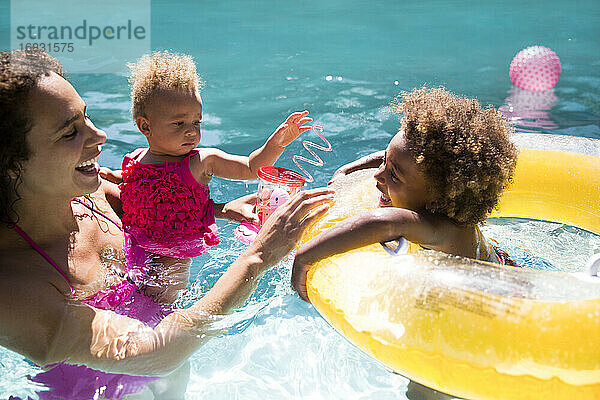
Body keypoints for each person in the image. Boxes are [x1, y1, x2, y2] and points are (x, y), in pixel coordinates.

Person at [0, 49, 334, 400]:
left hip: (172, 364)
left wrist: (221, 209)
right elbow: (155, 352)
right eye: (70, 132)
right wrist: (260, 254)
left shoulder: (95, 193)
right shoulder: (14, 285)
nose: (99, 136)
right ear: (10, 161)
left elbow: (165, 212)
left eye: (87, 117)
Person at [119, 51, 314, 303]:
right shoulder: (134, 160)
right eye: (179, 124)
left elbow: (250, 167)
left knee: (159, 306)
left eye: (197, 122)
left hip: (173, 263)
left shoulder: (201, 162)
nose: (191, 131)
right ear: (145, 126)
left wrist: (277, 143)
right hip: (135, 253)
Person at [292, 87, 519, 301]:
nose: (378, 175)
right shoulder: (429, 187)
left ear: (437, 200)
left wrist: (304, 257)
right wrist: (348, 170)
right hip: (495, 258)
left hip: (497, 292)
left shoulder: (440, 229)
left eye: (394, 176)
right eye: (383, 163)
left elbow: (384, 223)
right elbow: (394, 156)